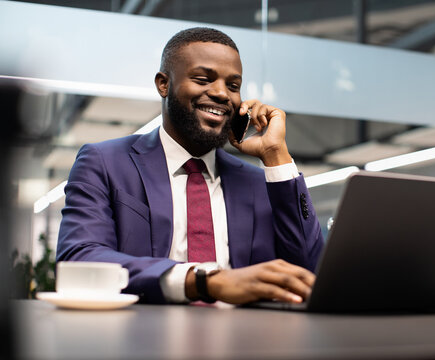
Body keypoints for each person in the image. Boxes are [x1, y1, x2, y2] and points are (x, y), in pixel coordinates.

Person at [56, 27, 324, 305]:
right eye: (202, 79)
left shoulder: (257, 182)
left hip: (243, 341)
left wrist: (275, 155)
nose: (222, 94)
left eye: (233, 86)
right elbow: (79, 258)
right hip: (140, 339)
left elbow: (308, 270)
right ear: (163, 84)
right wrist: (205, 281)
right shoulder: (105, 162)